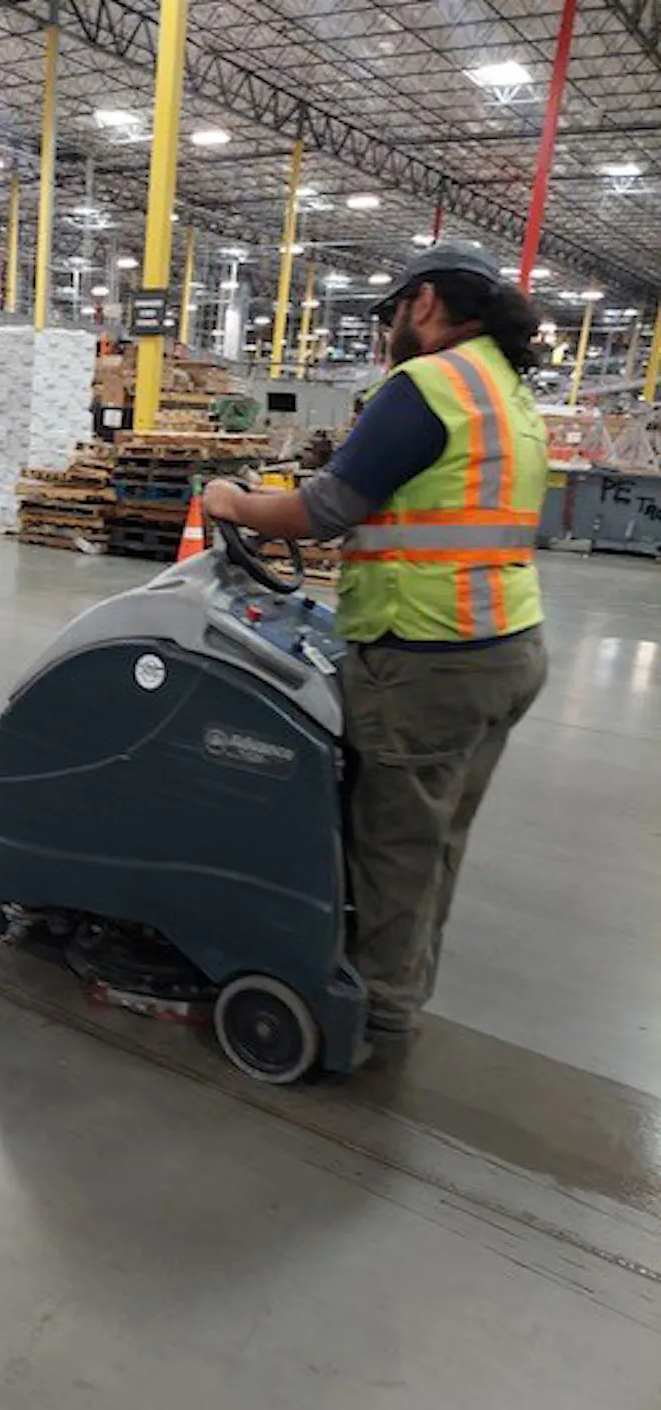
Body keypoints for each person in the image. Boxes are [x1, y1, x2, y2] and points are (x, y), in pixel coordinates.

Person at [204, 243, 549, 1040]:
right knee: (437, 833)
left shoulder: (428, 384)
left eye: (393, 312)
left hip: (428, 653)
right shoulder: (508, 390)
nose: (390, 328)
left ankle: (373, 1013)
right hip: (506, 644)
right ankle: (405, 976)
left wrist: (234, 500)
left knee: (394, 842)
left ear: (423, 303)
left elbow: (323, 511)